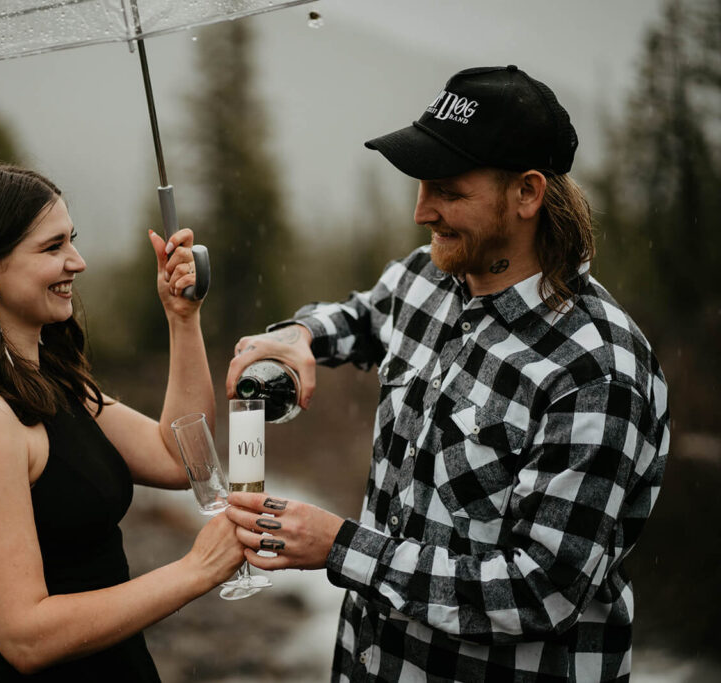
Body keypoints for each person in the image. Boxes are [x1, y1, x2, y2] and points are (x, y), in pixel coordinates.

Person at [225, 65, 670, 682]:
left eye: (448, 191)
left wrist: (340, 548)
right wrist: (298, 335)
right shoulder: (430, 277)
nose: (421, 212)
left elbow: (543, 590)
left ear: (528, 194)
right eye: (419, 185)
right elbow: (360, 317)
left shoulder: (597, 372)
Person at [0, 160, 245, 681]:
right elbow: (25, 636)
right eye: (53, 247)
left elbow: (182, 459)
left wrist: (182, 318)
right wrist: (195, 571)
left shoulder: (46, 380)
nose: (78, 263)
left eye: (73, 241)